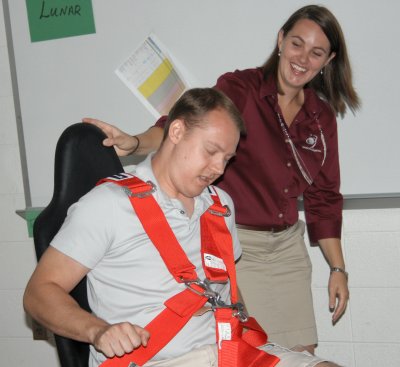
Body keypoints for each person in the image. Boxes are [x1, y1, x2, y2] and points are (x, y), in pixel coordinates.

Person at [83, 4, 360, 354]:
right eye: (296, 44)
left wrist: (338, 268)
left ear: (328, 60)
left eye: (316, 52)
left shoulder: (321, 117)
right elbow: (185, 125)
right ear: (280, 40)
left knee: (302, 354)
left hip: (288, 247)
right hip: (239, 246)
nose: (303, 58)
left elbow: (324, 197)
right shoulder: (242, 88)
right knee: (256, 352)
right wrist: (136, 142)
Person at [23, 88, 340, 367]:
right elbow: (38, 293)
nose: (218, 169)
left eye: (227, 159)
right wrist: (99, 331)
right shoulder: (108, 205)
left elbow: (227, 290)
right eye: (211, 151)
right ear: (175, 132)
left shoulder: (220, 206)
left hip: (227, 352)